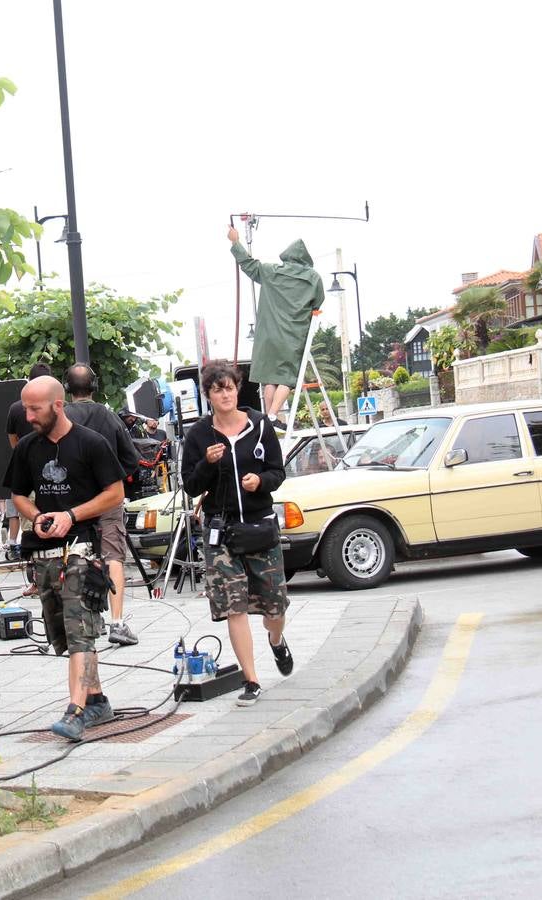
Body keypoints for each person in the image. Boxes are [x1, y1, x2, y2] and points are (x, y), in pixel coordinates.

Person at [5, 376, 125, 741]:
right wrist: (36, 515)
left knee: (80, 635)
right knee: (67, 635)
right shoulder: (27, 447)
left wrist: (71, 515)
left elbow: (115, 494)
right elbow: (18, 495)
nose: (27, 416)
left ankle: (75, 711)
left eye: (34, 408)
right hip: (45, 557)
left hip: (82, 552)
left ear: (58, 405)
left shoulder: (92, 444)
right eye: (25, 407)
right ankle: (98, 700)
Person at [180, 360, 291, 706]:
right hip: (221, 532)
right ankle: (251, 679)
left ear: (237, 389)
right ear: (209, 395)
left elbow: (277, 471)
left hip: (258, 525)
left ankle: (276, 640)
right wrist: (207, 464)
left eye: (229, 387)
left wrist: (261, 482)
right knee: (234, 607)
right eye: (217, 389)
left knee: (275, 607)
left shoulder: (259, 425)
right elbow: (191, 485)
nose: (224, 394)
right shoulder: (199, 435)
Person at [62, 364, 140, 646]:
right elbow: (131, 460)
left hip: (71, 503)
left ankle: (77, 623)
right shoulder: (109, 417)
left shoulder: (60, 417)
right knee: (113, 556)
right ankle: (117, 623)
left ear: (66, 388)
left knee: (72, 556)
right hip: (107, 497)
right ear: (94, 386)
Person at [227, 226, 325, 431]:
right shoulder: (313, 278)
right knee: (287, 379)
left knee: (270, 378)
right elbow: (318, 303)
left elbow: (248, 264)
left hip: (268, 336)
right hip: (293, 336)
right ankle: (272, 416)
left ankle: (268, 416)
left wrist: (235, 242)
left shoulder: (271, 272)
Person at [5, 362, 52, 552]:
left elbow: (13, 441)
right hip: (55, 470)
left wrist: (25, 456)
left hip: (29, 474)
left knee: (30, 521)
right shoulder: (58, 406)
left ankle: (34, 565)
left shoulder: (16, 408)